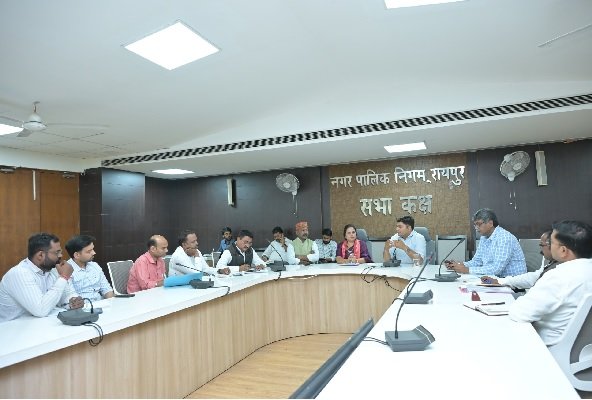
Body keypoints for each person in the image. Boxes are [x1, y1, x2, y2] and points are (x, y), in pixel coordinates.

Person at [509, 220, 592, 346]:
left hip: (547, 347)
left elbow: (519, 313)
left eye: (551, 243)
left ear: (563, 251)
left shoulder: (559, 276)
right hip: (582, 351)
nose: (548, 246)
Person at [0, 233, 83, 322]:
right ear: (40, 255)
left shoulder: (52, 269)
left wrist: (72, 302)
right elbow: (41, 310)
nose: (60, 256)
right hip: (14, 326)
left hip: (40, 323)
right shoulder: (19, 273)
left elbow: (67, 294)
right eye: (57, 252)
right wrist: (63, 277)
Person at [445, 208, 526, 277]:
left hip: (514, 283)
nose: (476, 228)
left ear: (490, 223)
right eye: (475, 225)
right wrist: (459, 265)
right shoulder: (484, 237)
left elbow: (496, 269)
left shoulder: (504, 238)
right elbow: (477, 261)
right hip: (496, 280)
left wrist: (467, 270)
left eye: (479, 224)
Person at [480, 230, 557, 290]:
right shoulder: (548, 260)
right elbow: (535, 276)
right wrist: (500, 281)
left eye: (541, 245)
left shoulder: (559, 270)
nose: (540, 250)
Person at [62, 234, 114, 301]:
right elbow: (72, 298)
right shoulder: (66, 270)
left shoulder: (94, 265)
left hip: (101, 303)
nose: (94, 253)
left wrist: (111, 303)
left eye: (93, 249)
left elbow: (107, 290)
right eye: (89, 251)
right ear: (77, 255)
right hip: (83, 305)